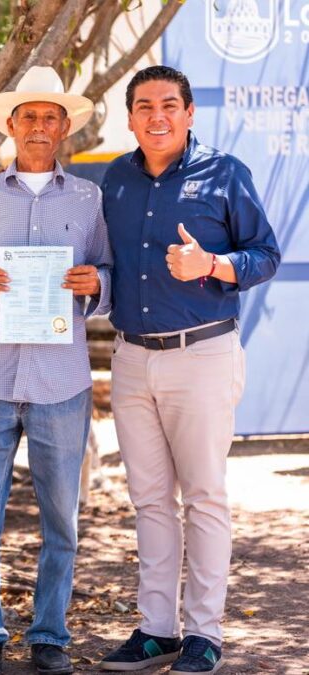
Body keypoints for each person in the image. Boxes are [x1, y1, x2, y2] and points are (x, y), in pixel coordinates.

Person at [98, 66, 280, 675]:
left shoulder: (225, 174)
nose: (157, 116)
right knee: (149, 501)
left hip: (201, 354)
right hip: (130, 359)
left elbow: (265, 255)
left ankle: (204, 634)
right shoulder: (115, 180)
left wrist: (212, 263)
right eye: (144, 106)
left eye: (169, 105)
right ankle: (157, 631)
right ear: (129, 117)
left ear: (189, 112)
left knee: (204, 498)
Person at [0, 66, 112, 675]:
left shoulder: (89, 198)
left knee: (61, 519)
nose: (39, 127)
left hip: (61, 383)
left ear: (65, 127)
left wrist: (96, 283)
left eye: (50, 117)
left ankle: (49, 636)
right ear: (11, 126)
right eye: (28, 117)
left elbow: (107, 279)